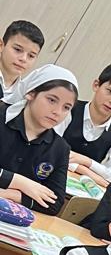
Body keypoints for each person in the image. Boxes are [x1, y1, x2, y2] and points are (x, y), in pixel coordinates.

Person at [0, 64, 77, 214]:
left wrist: (8, 194)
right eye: (52, 100)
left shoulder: (60, 148)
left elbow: (54, 203)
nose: (57, 112)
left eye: (66, 107)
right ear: (31, 93)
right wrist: (21, 183)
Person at [56, 61, 111, 188]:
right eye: (110, 91)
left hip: (81, 189)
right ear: (96, 85)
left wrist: (87, 162)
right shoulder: (69, 109)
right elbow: (49, 149)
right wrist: (87, 172)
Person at [0, 19, 44, 100]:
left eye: (31, 56)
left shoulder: (25, 96)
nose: (23, 59)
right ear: (1, 45)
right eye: (18, 50)